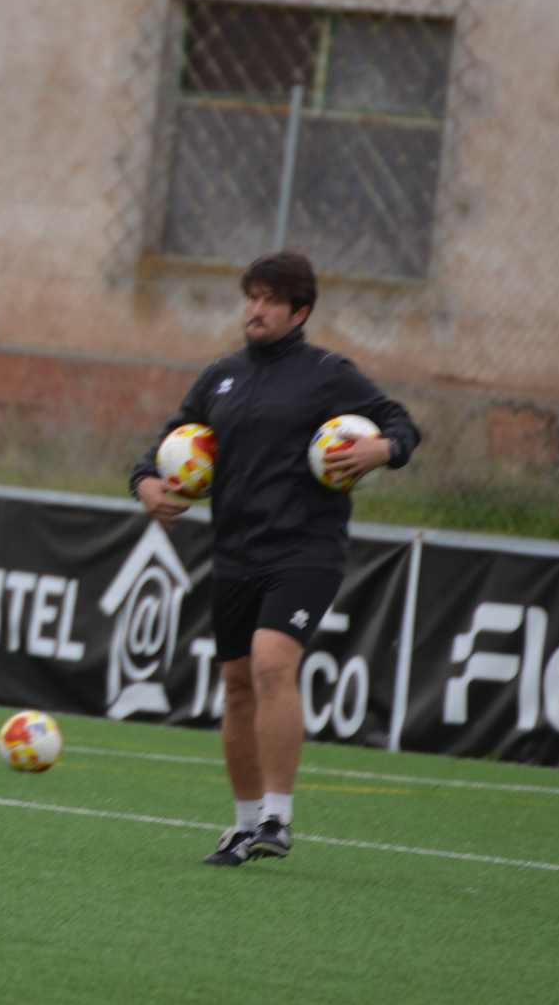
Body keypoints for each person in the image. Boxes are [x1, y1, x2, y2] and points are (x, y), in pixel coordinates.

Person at [129, 251, 419, 866]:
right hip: (234, 552)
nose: (255, 310)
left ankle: (276, 818)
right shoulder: (221, 376)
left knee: (270, 663)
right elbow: (166, 442)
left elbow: (400, 422)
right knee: (237, 687)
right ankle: (242, 826)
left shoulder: (328, 375)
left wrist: (383, 450)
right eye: (251, 298)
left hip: (305, 550)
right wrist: (145, 483)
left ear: (299, 312)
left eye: (269, 301)